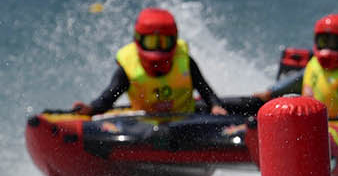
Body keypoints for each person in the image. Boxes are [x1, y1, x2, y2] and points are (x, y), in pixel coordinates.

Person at [74, 8, 225, 116]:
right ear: (139, 40)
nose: (158, 48)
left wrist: (216, 106)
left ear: (174, 40)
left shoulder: (185, 61)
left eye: (164, 42)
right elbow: (108, 98)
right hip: (144, 127)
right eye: (151, 42)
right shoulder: (128, 68)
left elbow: (206, 91)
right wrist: (91, 109)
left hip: (186, 121)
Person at [256, 13, 338, 121]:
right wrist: (268, 94)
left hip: (337, 126)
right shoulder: (315, 63)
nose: (328, 49)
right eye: (323, 42)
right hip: (310, 121)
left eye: (335, 43)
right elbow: (295, 82)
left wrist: (326, 122)